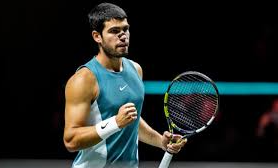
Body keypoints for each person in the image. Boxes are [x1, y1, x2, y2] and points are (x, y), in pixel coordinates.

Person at [63, 2, 187, 168]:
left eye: (125, 29)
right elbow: (70, 140)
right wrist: (115, 123)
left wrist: (160, 141)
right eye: (114, 31)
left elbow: (132, 121)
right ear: (97, 36)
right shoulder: (84, 79)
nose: (122, 36)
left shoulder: (136, 70)